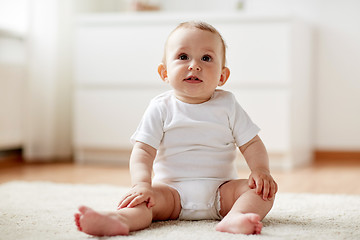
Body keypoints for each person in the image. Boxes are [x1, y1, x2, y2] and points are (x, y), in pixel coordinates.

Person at [74, 21, 278, 236]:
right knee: (145, 200)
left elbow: (251, 143)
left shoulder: (228, 104)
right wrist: (141, 184)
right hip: (171, 193)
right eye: (183, 57)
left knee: (262, 193)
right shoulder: (160, 107)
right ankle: (119, 219)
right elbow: (143, 150)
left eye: (206, 58)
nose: (194, 65)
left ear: (222, 76)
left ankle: (236, 217)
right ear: (164, 72)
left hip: (223, 191)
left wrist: (261, 171)